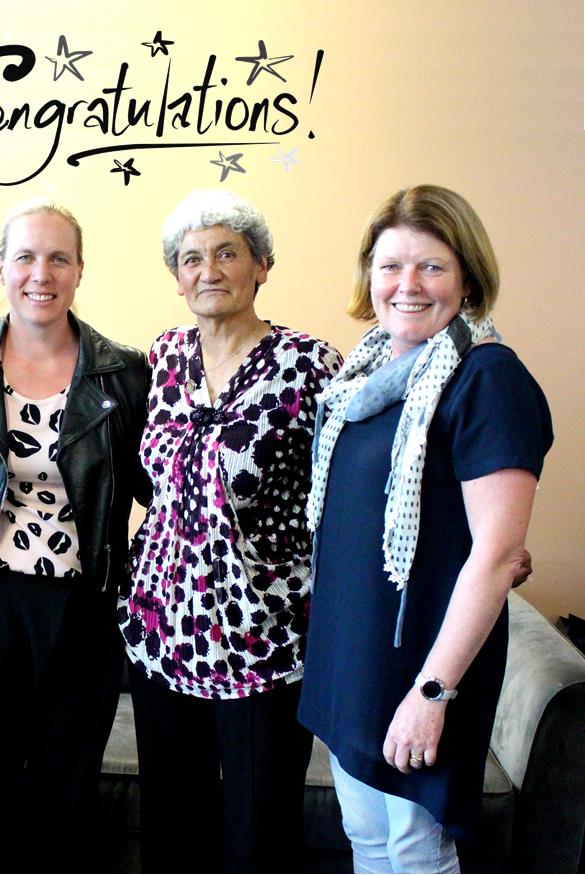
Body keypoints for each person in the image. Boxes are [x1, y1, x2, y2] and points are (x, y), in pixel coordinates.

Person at [298, 185, 553, 873]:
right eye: (390, 266)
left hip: (424, 667)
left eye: (431, 266)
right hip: (353, 658)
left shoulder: (486, 378)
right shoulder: (364, 377)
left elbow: (497, 555)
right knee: (366, 838)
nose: (406, 285)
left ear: (467, 277)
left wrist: (431, 692)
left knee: (416, 849)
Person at [117, 190, 342, 873]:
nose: (208, 271)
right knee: (171, 824)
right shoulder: (162, 357)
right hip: (162, 629)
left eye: (226, 254)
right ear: (176, 276)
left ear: (261, 266)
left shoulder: (309, 363)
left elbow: (349, 487)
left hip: (264, 633)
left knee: (259, 831)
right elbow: (148, 477)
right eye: (191, 259)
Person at [0, 199, 150, 872]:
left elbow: (156, 488)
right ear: (0, 266)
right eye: (24, 257)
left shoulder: (123, 371)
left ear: (79, 270)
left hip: (82, 611)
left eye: (58, 258)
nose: (40, 274)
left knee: (67, 799)